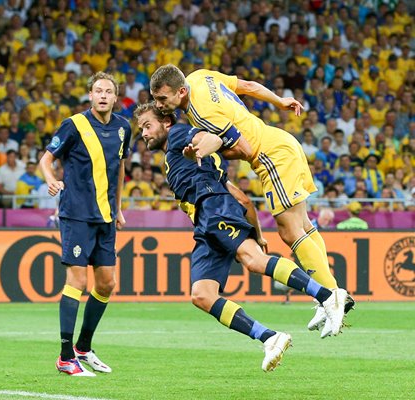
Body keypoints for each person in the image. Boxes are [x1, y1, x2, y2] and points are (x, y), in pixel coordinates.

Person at [134, 102, 349, 371]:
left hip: (214, 207)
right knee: (202, 295)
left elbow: (210, 137)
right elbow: (244, 199)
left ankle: (327, 295)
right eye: (141, 128)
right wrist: (258, 234)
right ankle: (270, 337)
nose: (143, 133)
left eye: (147, 125)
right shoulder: (177, 158)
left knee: (255, 261)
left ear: (166, 122)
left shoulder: (179, 134)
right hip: (206, 220)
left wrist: (200, 146)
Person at [149, 64, 353, 331]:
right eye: (155, 99)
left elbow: (244, 148)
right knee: (303, 226)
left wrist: (209, 151)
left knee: (291, 232)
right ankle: (331, 294)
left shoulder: (202, 113)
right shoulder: (200, 76)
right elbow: (249, 86)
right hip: (280, 142)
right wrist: (280, 101)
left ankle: (331, 297)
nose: (159, 105)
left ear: (181, 91)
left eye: (163, 99)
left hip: (270, 156)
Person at [39, 71, 132, 377]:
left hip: (105, 216)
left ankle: (83, 348)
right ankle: (65, 357)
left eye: (108, 91)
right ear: (90, 96)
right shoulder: (74, 124)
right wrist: (51, 180)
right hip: (76, 214)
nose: (103, 95)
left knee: (107, 283)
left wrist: (117, 208)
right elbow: (46, 159)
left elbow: (119, 168)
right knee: (77, 283)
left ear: (115, 97)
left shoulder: (123, 128)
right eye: (98, 90)